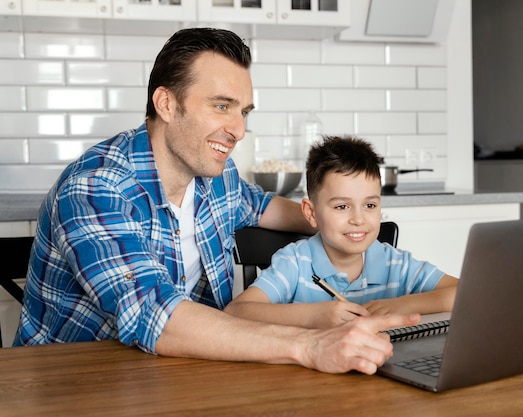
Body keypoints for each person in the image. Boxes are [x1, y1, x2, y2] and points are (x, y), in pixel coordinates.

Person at [13, 27, 420, 375]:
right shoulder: (96, 189)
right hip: (73, 383)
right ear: (167, 103)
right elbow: (159, 317)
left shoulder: (216, 175)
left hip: (181, 373)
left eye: (244, 111)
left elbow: (261, 207)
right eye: (222, 106)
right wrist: (309, 346)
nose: (239, 129)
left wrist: (337, 220)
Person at [225, 135, 458, 328]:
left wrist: (401, 305)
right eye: (341, 206)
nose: (358, 219)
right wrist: (314, 316)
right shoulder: (295, 263)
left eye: (370, 205)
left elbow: (466, 292)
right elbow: (237, 311)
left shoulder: (396, 264)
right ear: (311, 213)